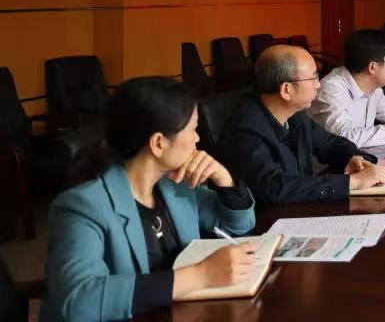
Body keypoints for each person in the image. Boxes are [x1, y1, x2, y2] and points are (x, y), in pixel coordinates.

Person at [44, 77, 256, 322]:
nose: (198, 139)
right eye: (193, 130)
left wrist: (224, 179)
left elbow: (238, 226)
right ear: (158, 143)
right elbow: (79, 300)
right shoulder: (83, 206)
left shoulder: (176, 186)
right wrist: (200, 275)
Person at [218, 45, 385, 207]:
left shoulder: (294, 114)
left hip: (298, 209)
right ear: (286, 90)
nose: (318, 84)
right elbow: (276, 187)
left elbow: (330, 143)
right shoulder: (245, 129)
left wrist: (352, 158)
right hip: (266, 220)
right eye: (313, 78)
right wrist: (353, 182)